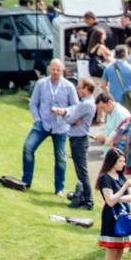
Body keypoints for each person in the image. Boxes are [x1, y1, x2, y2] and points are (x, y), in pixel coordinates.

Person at [21, 59, 78, 195]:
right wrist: (37, 119)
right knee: (28, 148)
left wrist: (64, 111)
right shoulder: (41, 84)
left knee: (61, 158)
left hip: (61, 126)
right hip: (43, 124)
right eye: (53, 69)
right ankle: (26, 181)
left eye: (58, 70)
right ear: (49, 69)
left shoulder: (69, 86)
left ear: (62, 70)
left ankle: (59, 188)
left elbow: (76, 106)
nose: (55, 72)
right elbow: (33, 103)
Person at [95, 148, 131, 260]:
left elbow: (130, 198)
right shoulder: (105, 178)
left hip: (123, 216)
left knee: (119, 253)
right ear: (112, 161)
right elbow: (110, 201)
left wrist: (119, 195)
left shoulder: (121, 177)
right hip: (111, 217)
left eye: (124, 161)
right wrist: (123, 189)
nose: (123, 164)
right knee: (111, 252)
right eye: (120, 161)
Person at [52, 76, 97, 210]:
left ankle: (88, 201)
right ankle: (83, 197)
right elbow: (73, 115)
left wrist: (64, 114)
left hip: (79, 140)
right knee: (80, 171)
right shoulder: (85, 102)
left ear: (87, 89)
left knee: (82, 172)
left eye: (80, 87)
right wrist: (69, 115)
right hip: (78, 139)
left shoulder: (86, 104)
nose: (77, 89)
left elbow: (70, 119)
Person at [105, 45, 131, 110]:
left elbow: (103, 85)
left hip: (113, 101)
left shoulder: (108, 68)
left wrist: (109, 96)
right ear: (125, 54)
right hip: (128, 101)